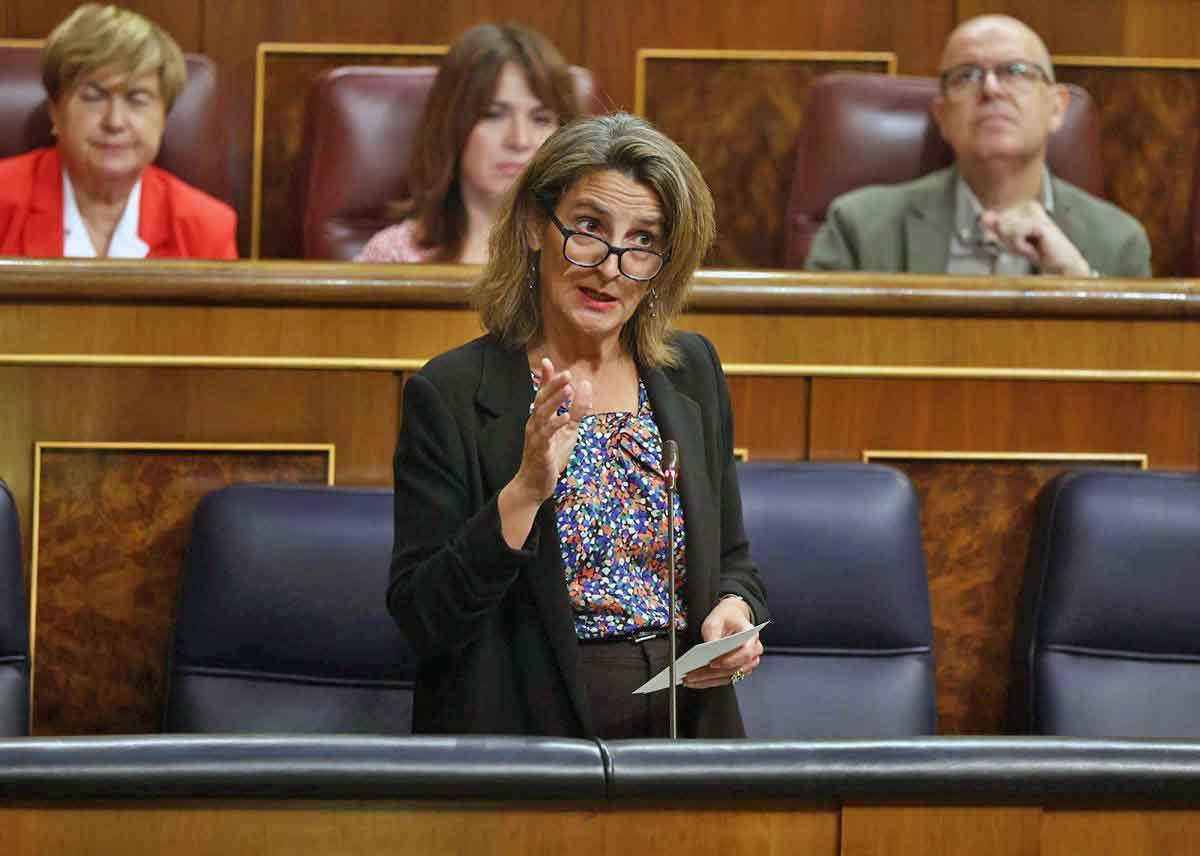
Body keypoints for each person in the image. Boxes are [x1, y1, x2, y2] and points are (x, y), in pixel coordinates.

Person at [388, 113, 767, 738]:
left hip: (684, 728)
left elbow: (733, 558)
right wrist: (525, 492)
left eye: (643, 240)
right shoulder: (451, 393)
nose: (612, 266)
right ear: (538, 225)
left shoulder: (691, 371)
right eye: (590, 229)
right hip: (527, 738)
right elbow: (424, 619)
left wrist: (735, 610)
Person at [806, 14, 1150, 278]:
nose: (991, 89)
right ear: (941, 114)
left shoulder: (1118, 242)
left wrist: (1079, 284)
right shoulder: (860, 228)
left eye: (1015, 71)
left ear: (1057, 107)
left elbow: (1136, 364)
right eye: (967, 75)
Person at [0, 4, 236, 259]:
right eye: (94, 97)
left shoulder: (206, 229)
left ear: (163, 117)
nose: (114, 122)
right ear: (55, 113)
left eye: (137, 98)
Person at [356, 23, 581, 265]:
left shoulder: (583, 252)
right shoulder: (392, 256)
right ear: (451, 123)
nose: (519, 141)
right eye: (493, 115)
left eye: (540, 119)